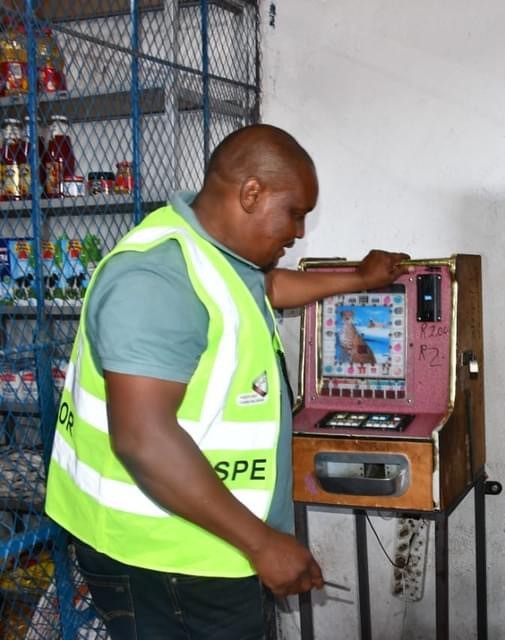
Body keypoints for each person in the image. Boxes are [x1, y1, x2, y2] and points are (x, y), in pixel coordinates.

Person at [44, 124, 410, 639]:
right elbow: (143, 438)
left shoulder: (213, 253)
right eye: (295, 212)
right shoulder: (155, 280)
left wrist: (360, 280)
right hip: (165, 561)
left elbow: (268, 288)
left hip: (208, 545)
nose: (299, 231)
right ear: (251, 193)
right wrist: (261, 543)